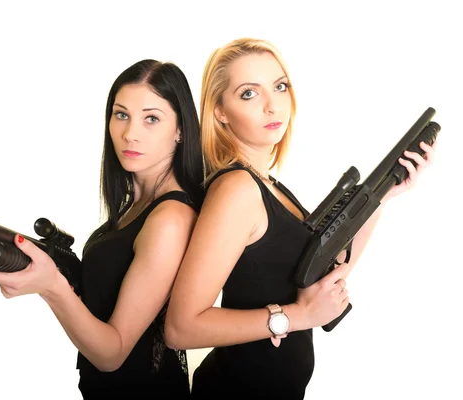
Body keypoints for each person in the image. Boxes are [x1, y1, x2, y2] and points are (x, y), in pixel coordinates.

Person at [164, 38, 437, 399]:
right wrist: (298, 317)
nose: (271, 104)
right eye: (249, 93)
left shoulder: (271, 187)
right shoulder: (237, 190)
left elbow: (324, 271)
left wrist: (383, 196)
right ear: (220, 112)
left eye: (279, 87)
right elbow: (181, 329)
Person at [0, 59, 205, 399]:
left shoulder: (169, 219)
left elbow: (112, 353)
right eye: (121, 114)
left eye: (151, 118)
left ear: (180, 130)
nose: (130, 132)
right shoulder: (137, 208)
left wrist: (52, 287)